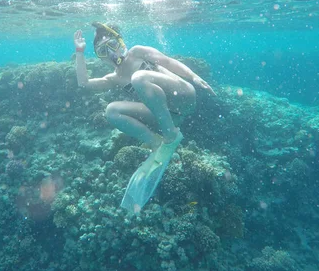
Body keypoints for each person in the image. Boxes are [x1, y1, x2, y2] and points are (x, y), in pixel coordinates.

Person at [73, 22, 215, 213]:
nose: (111, 54)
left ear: (120, 41)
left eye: (112, 45)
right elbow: (84, 83)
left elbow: (168, 62)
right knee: (111, 111)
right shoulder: (113, 78)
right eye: (103, 51)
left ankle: (170, 135)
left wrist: (194, 76)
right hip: (169, 116)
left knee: (139, 77)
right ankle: (156, 142)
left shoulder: (137, 52)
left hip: (184, 97)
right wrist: (80, 52)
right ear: (100, 58)